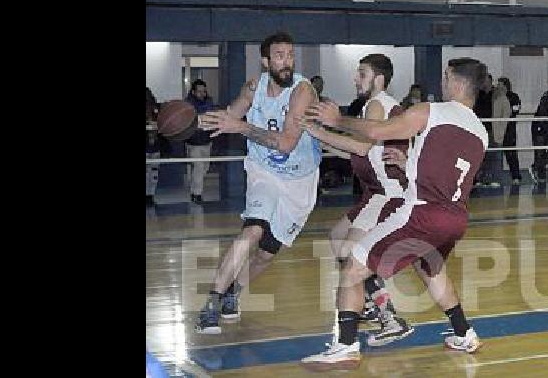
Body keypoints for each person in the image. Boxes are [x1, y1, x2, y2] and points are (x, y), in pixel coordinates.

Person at [300, 58, 490, 370]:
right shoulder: (480, 132)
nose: (442, 82)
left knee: (352, 267)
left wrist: (337, 119)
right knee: (432, 270)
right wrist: (408, 164)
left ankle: (346, 345)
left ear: (456, 83)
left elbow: (376, 130)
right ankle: (464, 333)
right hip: (455, 219)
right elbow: (449, 175)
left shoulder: (433, 111)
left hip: (421, 214)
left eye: (446, 77)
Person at [192, 32, 323, 334]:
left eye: (290, 55)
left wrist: (240, 126)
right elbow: (230, 116)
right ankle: (211, 303)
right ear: (266, 62)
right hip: (264, 170)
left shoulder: (302, 91)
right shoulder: (254, 87)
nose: (287, 61)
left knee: (267, 252)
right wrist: (197, 122)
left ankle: (233, 293)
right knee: (252, 230)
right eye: (279, 56)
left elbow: (287, 144)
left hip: (300, 180)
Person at [302, 54, 414, 346]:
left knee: (352, 255)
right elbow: (359, 153)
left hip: (387, 193)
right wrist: (321, 140)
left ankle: (388, 317)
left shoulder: (377, 105)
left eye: (361, 73)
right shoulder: (373, 107)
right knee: (338, 238)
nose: (355, 78)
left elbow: (361, 149)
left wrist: (319, 130)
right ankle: (369, 302)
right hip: (374, 193)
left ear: (378, 79)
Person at [185, 79, 215, 203]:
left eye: (204, 91)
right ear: (193, 92)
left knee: (204, 168)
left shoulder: (209, 102)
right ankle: (197, 194)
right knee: (198, 166)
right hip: (193, 142)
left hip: (207, 141)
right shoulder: (187, 104)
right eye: (199, 91)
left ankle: (194, 191)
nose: (202, 94)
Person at [498, 77, 523, 185]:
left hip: (509, 130)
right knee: (496, 154)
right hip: (497, 129)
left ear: (505, 86)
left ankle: (516, 177)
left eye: (500, 85)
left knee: (511, 154)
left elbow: (515, 110)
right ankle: (495, 177)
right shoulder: (496, 97)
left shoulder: (514, 97)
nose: (498, 87)